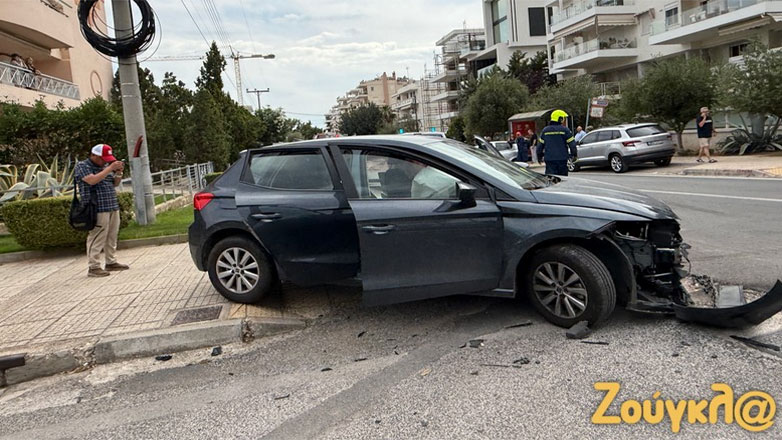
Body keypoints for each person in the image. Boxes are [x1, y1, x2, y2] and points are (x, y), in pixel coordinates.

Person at [74, 144, 130, 277]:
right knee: (97, 236)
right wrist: (110, 168)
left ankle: (111, 261)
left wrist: (118, 173)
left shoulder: (105, 166)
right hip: (96, 207)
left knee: (112, 235)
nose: (105, 162)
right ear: (94, 155)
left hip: (111, 205)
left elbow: (114, 183)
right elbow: (92, 180)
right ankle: (93, 266)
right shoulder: (82, 166)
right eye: (103, 158)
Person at [537, 110, 577, 176]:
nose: (564, 120)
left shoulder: (545, 130)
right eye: (563, 118)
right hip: (562, 159)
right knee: (562, 178)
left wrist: (539, 157)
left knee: (551, 178)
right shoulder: (565, 130)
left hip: (549, 159)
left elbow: (540, 146)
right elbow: (572, 145)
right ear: (560, 119)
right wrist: (574, 155)